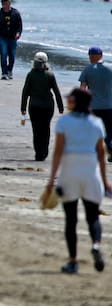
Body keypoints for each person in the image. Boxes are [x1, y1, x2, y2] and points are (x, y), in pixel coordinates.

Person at [46, 87, 110, 274]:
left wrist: (52, 179)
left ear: (77, 102)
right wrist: (105, 181)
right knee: (93, 216)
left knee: (71, 220)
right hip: (91, 171)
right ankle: (96, 245)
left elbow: (58, 151)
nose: (69, 102)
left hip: (70, 172)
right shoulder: (97, 123)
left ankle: (73, 261)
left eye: (71, 99)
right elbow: (101, 153)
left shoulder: (64, 121)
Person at [21, 52, 64, 162]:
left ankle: (38, 153)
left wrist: (23, 107)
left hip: (34, 106)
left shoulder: (30, 75)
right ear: (46, 63)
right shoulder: (50, 75)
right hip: (48, 106)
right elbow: (56, 92)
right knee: (46, 129)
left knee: (36, 130)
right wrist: (60, 107)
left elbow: (25, 92)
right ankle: (44, 152)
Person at [79, 46, 112, 158]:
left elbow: (82, 89)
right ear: (101, 55)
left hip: (93, 106)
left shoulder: (87, 70)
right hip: (109, 105)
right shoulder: (110, 68)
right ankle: (110, 149)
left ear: (91, 56)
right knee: (109, 130)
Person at [0, 0, 22, 80]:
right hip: (2, 37)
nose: (3, 3)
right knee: (3, 54)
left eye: (5, 2)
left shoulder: (15, 13)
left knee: (12, 55)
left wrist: (18, 33)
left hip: (12, 37)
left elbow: (19, 26)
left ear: (9, 2)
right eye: (2, 2)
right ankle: (4, 73)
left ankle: (9, 70)